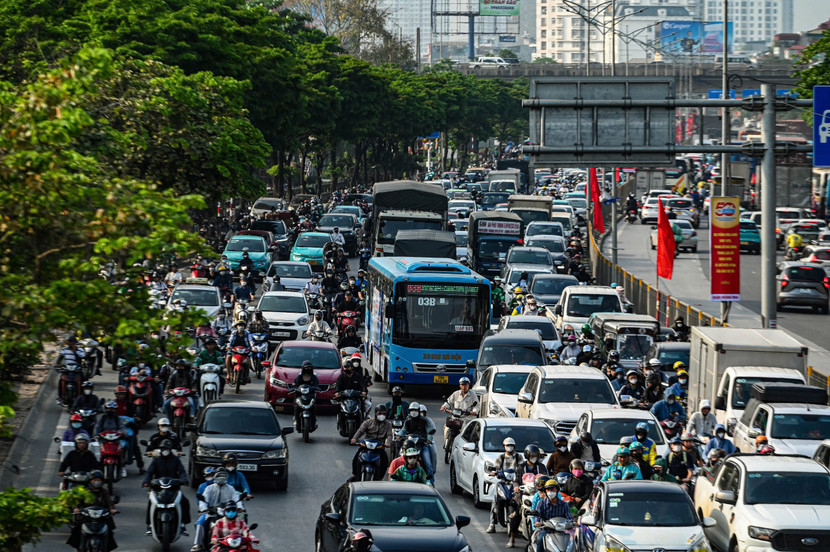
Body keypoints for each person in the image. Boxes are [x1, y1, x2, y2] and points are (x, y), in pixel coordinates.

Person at [142, 439, 191, 538]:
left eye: (167, 449)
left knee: (184, 502)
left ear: (170, 449)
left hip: (173, 488)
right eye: (163, 449)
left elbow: (182, 472)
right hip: (158, 488)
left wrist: (184, 480)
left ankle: (182, 525)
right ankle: (150, 525)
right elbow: (150, 472)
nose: (165, 451)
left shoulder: (176, 460)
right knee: (151, 503)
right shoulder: (156, 461)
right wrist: (146, 481)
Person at [66, 470, 118, 552]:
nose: (97, 482)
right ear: (90, 481)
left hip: (101, 517)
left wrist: (112, 509)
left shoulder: (104, 492)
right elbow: (77, 502)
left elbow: (110, 503)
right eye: (95, 480)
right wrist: (76, 508)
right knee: (76, 530)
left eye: (99, 480)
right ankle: (78, 548)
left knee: (110, 532)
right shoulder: (84, 492)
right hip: (86, 517)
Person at [193, 468, 241, 551]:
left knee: (239, 524)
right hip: (210, 512)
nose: (221, 477)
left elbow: (236, 499)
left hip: (226, 512)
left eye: (223, 475)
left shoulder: (230, 488)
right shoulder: (209, 488)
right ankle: (198, 544)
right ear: (215, 476)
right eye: (219, 475)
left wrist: (240, 507)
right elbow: (203, 500)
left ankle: (239, 543)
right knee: (200, 523)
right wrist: (204, 509)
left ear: (226, 477)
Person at [487, 437, 524, 533]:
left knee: (521, 501)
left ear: (514, 446)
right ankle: (492, 524)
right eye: (508, 445)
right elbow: (496, 467)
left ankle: (521, 523)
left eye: (511, 445)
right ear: (504, 446)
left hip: (515, 484)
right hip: (503, 482)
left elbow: (522, 467)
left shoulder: (518, 457)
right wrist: (494, 472)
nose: (509, 447)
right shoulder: (501, 457)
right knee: (495, 500)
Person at [350, 405, 393, 481]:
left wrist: (388, 442)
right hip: (366, 446)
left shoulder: (388, 424)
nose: (382, 415)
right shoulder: (368, 422)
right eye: (380, 413)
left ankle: (379, 478)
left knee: (385, 461)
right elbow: (360, 431)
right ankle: (354, 475)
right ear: (376, 413)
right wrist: (354, 438)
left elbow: (389, 434)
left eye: (384, 414)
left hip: (379, 447)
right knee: (356, 458)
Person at [532, 479, 573, 552]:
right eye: (548, 490)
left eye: (552, 489)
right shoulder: (541, 503)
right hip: (545, 530)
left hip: (560, 530)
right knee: (540, 540)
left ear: (557, 490)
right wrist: (537, 522)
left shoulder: (564, 504)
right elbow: (537, 515)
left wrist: (572, 522)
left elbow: (568, 516)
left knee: (571, 542)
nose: (550, 492)